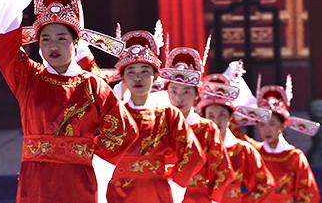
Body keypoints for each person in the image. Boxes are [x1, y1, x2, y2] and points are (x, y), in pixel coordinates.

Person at [0, 0, 139, 203]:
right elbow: (7, 50)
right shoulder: (30, 79)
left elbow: (124, 131)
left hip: (78, 181)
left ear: (76, 42)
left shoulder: (93, 85)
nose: (53, 46)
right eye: (45, 39)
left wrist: (92, 160)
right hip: (37, 182)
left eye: (62, 38)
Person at [107, 29, 205, 203]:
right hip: (118, 193)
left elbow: (193, 154)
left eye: (145, 71)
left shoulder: (169, 115)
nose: (138, 78)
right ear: (122, 77)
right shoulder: (114, 115)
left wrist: (175, 185)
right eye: (131, 72)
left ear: (156, 75)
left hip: (157, 193)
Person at [161, 43, 234, 203]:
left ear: (196, 95)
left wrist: (213, 200)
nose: (179, 98)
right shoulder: (159, 125)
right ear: (167, 93)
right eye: (174, 91)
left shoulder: (207, 129)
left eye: (186, 91)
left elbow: (223, 171)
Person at [199, 66, 275, 202]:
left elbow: (264, 184)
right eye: (211, 115)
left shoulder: (243, 151)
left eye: (222, 115)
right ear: (204, 117)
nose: (216, 121)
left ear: (230, 117)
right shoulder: (195, 147)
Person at [252, 75, 321, 202]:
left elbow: (308, 193)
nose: (267, 130)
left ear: (283, 125)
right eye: (262, 125)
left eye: (272, 124)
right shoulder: (254, 153)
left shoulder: (294, 157)